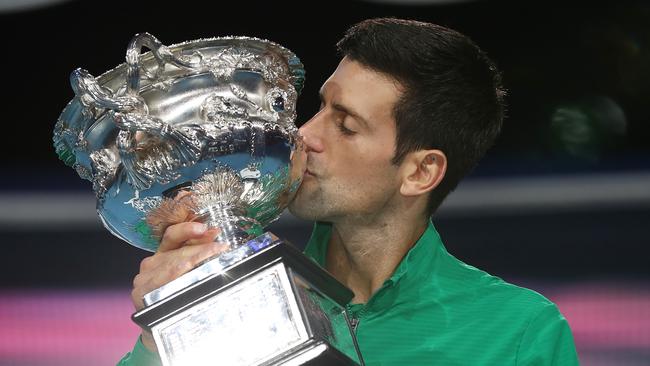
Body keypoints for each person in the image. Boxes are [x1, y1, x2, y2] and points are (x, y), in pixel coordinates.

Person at [119, 18, 579, 365]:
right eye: (321, 107)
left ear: (420, 172)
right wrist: (160, 335)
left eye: (346, 125)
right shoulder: (233, 297)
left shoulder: (519, 333)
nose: (306, 135)